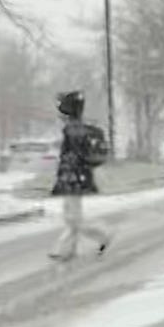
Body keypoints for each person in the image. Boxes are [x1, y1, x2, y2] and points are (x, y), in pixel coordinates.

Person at [48, 90, 112, 262]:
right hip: (75, 177)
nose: (59, 115)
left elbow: (72, 155)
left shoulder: (72, 130)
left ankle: (103, 235)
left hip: (73, 177)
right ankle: (67, 250)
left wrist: (67, 169)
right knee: (71, 216)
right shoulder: (76, 128)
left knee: (73, 218)